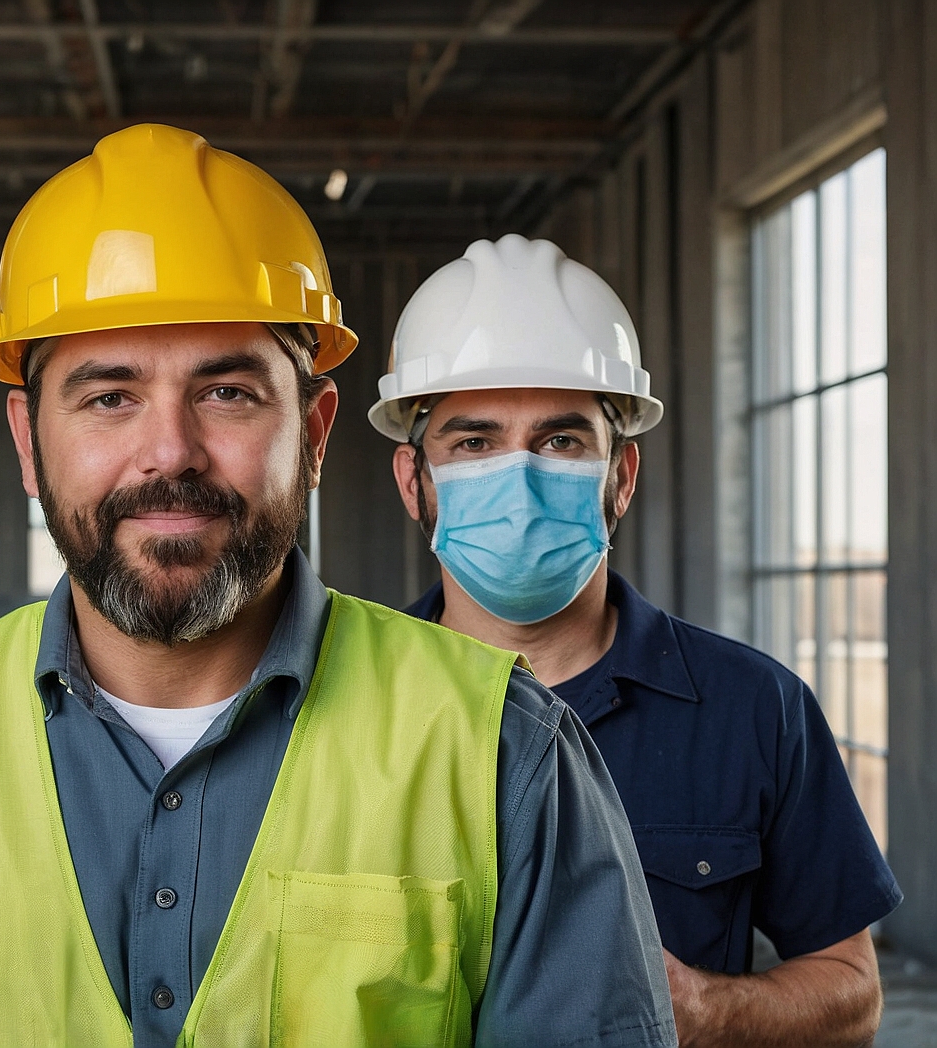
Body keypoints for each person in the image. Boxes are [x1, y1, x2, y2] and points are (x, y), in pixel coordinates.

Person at [0, 126, 677, 1048]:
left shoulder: (502, 749)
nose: (167, 451)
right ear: (26, 440)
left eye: (226, 391)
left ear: (317, 431)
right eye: (108, 394)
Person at [370, 233, 904, 1048]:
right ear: (416, 481)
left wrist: (704, 1009)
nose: (519, 479)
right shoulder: (339, 703)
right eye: (473, 443)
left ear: (621, 476)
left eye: (562, 440)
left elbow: (852, 997)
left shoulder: (754, 708)